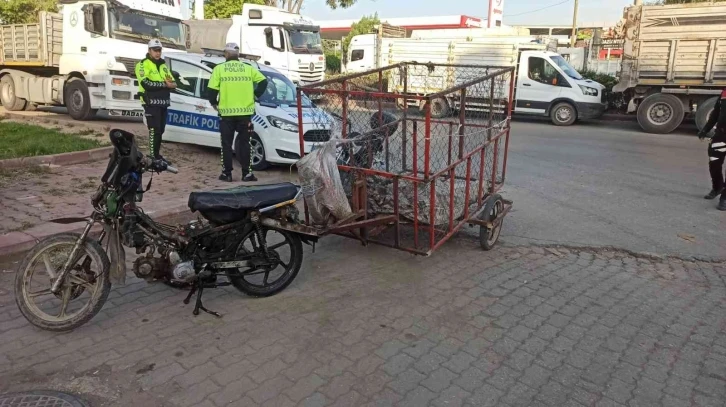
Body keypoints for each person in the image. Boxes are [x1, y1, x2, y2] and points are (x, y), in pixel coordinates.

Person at [207, 43, 268, 182]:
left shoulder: (219, 69)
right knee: (245, 144)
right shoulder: (248, 68)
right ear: (238, 54)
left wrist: (214, 103)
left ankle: (226, 174)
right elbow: (263, 82)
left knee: (226, 145)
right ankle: (247, 173)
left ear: (226, 54)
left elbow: (211, 90)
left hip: (226, 114)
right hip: (245, 114)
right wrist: (255, 95)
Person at [135, 38, 176, 164]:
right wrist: (164, 84)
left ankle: (157, 155)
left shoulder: (163, 65)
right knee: (154, 129)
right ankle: (153, 157)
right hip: (150, 102)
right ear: (149, 50)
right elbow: (146, 83)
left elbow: (173, 83)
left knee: (161, 130)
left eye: (159, 50)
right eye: (155, 50)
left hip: (163, 103)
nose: (158, 53)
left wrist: (167, 84)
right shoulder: (142, 65)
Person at [698, 90, 726, 211]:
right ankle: (717, 187)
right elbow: (716, 113)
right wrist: (705, 130)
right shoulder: (724, 93)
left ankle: (724, 197)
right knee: (714, 163)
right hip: (721, 135)